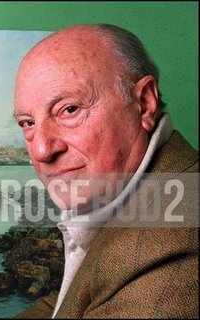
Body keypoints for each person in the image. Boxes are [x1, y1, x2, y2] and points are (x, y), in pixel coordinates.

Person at [13, 23, 198, 318]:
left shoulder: (171, 248)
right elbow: (67, 304)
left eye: (69, 110)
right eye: (27, 123)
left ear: (144, 103)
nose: (41, 150)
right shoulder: (125, 195)